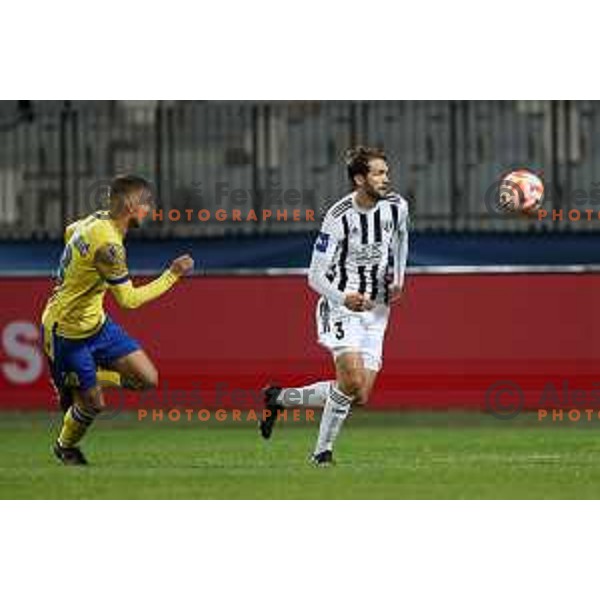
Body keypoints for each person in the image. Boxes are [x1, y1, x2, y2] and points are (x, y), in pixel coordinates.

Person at [259, 146, 409, 465]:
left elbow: (402, 239)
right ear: (359, 179)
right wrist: (344, 298)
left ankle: (280, 398)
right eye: (378, 173)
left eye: (387, 172)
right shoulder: (338, 217)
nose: (386, 178)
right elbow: (313, 276)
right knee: (351, 381)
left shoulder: (397, 207)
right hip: (340, 305)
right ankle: (321, 453)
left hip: (378, 309)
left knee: (360, 395)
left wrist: (398, 278)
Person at [41, 174, 194, 465]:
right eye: (146, 203)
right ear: (129, 204)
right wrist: (172, 274)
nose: (149, 210)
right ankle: (64, 446)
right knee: (94, 404)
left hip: (97, 325)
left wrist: (75, 274)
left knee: (148, 379)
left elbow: (70, 231)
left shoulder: (95, 220)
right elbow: (129, 301)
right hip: (67, 333)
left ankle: (77, 380)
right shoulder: (110, 248)